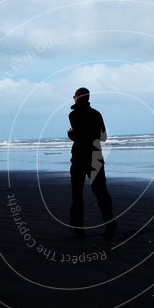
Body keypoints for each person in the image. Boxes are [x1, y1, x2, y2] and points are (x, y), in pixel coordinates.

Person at [67, 87, 116, 240]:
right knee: (101, 191)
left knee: (77, 192)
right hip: (95, 156)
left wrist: (70, 134)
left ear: (76, 98)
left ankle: (77, 227)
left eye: (74, 96)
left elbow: (80, 136)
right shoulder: (96, 114)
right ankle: (109, 223)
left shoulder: (73, 115)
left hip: (79, 157)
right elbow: (103, 137)